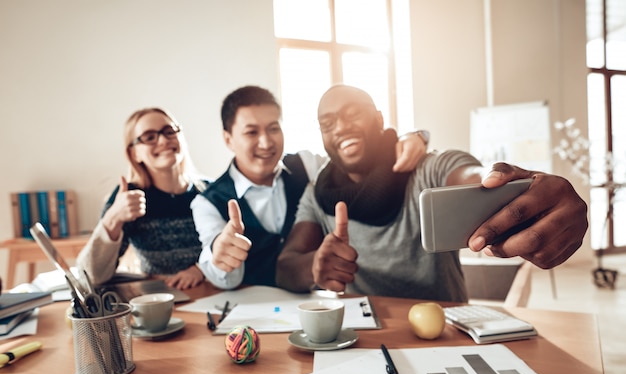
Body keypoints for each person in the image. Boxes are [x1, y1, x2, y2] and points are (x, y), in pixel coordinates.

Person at [275, 84, 588, 302]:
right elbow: (285, 267)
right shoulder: (318, 192)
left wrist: (530, 195)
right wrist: (315, 265)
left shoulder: (429, 169)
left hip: (443, 332)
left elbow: (475, 179)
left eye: (352, 114)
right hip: (365, 337)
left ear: (379, 119)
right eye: (327, 124)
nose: (340, 128)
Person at [191, 85, 429, 290]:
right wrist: (218, 259)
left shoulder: (307, 165)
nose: (266, 142)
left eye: (273, 128)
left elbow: (354, 159)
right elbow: (221, 273)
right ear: (228, 139)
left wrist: (415, 137)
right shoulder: (206, 203)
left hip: (315, 305)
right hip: (249, 313)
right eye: (251, 132)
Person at [77, 107, 210, 290]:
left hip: (212, 289)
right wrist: (113, 218)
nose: (163, 140)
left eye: (169, 131)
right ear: (134, 153)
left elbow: (241, 249)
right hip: (159, 297)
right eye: (149, 137)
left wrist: (202, 269)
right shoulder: (126, 198)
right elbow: (90, 277)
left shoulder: (211, 191)